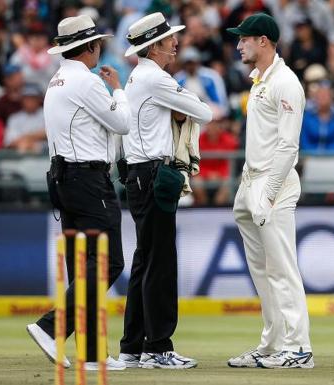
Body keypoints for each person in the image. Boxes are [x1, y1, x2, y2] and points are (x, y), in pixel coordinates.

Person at [25, 14, 131, 372]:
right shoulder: (86, 82)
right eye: (97, 43)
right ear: (89, 47)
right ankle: (50, 327)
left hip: (63, 178)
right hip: (87, 179)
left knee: (81, 266)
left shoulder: (56, 80)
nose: (100, 47)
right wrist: (118, 90)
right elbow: (122, 123)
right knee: (108, 261)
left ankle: (89, 352)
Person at [118, 12, 212, 370]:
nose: (175, 43)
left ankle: (132, 346)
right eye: (169, 39)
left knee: (145, 261)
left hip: (140, 175)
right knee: (160, 264)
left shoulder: (138, 77)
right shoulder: (155, 79)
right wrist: (181, 106)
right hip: (153, 174)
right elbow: (205, 113)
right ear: (154, 45)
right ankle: (158, 347)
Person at [226, 13, 314, 369]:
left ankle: (298, 349)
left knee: (281, 268)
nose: (238, 45)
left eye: (244, 39)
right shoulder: (259, 80)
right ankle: (273, 343)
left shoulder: (287, 83)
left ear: (263, 41)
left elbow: (288, 147)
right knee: (262, 270)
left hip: (273, 184)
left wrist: (268, 192)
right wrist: (249, 190)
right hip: (251, 181)